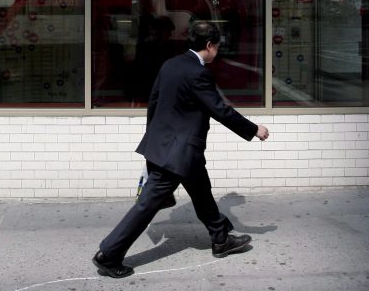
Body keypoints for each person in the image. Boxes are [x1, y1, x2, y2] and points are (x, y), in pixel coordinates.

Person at [92, 21, 270, 278]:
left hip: (175, 148)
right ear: (209, 45)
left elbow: (154, 103)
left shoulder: (170, 64)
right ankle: (109, 254)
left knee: (202, 192)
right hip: (178, 153)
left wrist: (153, 141)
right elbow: (220, 110)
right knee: (147, 205)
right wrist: (254, 129)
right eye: (217, 46)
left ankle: (221, 239)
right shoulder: (198, 73)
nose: (217, 51)